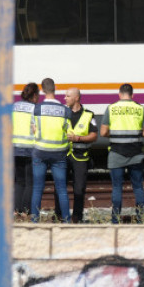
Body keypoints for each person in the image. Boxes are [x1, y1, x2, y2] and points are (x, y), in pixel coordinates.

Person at [100, 83, 144, 224]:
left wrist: (116, 134)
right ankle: (141, 219)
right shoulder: (140, 108)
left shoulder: (111, 108)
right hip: (136, 154)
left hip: (116, 153)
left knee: (117, 187)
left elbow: (103, 132)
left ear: (119, 94)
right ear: (132, 95)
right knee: (138, 187)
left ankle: (115, 219)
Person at [31, 78, 72, 223]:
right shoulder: (65, 110)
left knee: (37, 188)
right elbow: (68, 131)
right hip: (59, 153)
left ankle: (35, 220)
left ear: (42, 90)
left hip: (40, 151)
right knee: (61, 189)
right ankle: (67, 220)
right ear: (55, 89)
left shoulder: (36, 108)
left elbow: (33, 129)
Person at [54, 87, 97, 223]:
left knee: (79, 189)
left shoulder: (89, 115)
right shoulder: (62, 113)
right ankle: (59, 215)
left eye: (67, 96)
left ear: (76, 98)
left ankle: (77, 217)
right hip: (63, 155)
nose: (64, 99)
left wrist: (78, 138)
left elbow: (94, 135)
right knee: (59, 186)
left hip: (80, 157)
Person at [13, 82, 39, 216]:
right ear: (34, 95)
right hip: (30, 150)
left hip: (15, 149)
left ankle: (16, 210)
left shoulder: (14, 107)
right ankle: (26, 211)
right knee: (30, 183)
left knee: (19, 181)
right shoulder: (35, 108)